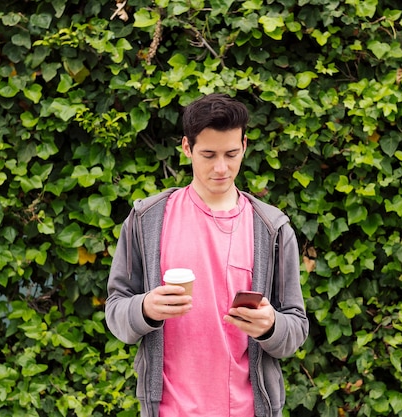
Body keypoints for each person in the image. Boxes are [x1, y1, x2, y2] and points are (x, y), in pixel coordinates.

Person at [105, 93, 309, 417]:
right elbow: (116, 312)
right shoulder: (147, 220)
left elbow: (295, 330)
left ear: (244, 144)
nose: (221, 168)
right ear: (187, 147)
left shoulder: (272, 229)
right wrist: (144, 308)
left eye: (231, 154)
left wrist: (271, 325)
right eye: (208, 154)